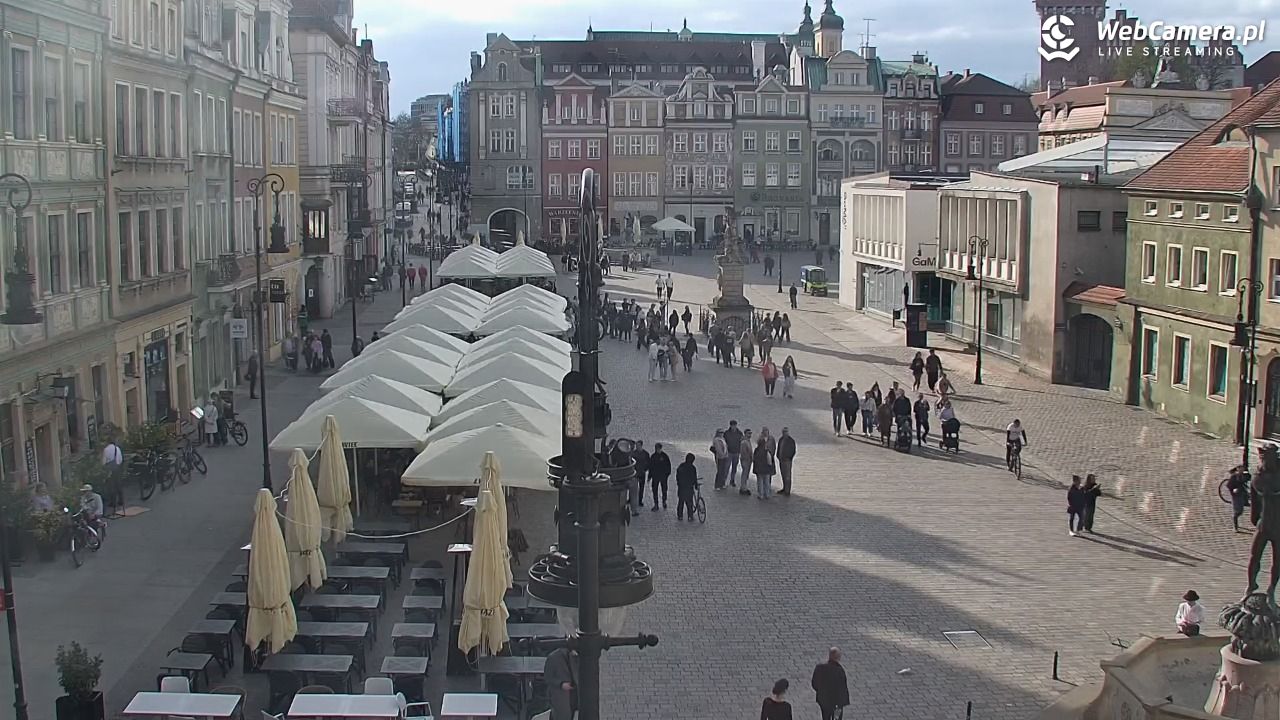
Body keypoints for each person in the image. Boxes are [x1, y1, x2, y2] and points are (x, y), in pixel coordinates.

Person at [811, 647, 850, 720]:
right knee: (837, 718)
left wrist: (820, 691)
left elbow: (814, 684)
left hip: (823, 701)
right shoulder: (840, 671)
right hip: (837, 703)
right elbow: (843, 688)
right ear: (838, 657)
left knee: (825, 717)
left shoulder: (820, 668)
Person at [544, 646, 579, 720]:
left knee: (571, 713)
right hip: (560, 694)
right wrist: (561, 684)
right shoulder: (553, 658)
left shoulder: (575, 656)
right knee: (561, 715)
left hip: (574, 693)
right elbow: (548, 677)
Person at [676, 453, 699, 521]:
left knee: (681, 502)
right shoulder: (692, 468)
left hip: (682, 487)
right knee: (689, 503)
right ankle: (690, 516)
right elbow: (694, 478)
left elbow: (678, 476)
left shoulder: (681, 466)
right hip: (689, 488)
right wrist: (696, 485)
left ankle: (680, 515)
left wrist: (679, 483)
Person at [1228, 465, 1251, 532]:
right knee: (1238, 511)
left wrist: (1247, 474)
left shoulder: (1243, 475)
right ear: (1237, 469)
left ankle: (1246, 502)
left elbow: (1249, 478)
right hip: (1236, 496)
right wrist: (1233, 490)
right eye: (1240, 469)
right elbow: (1229, 486)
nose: (1242, 470)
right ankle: (1235, 526)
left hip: (1242, 494)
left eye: (1242, 469)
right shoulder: (1234, 477)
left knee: (1241, 509)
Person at [649, 442, 671, 510]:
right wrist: (650, 476)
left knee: (664, 489)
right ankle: (656, 504)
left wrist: (667, 474)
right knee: (654, 490)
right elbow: (651, 467)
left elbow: (668, 466)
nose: (657, 450)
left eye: (658, 449)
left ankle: (664, 501)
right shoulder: (653, 456)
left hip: (663, 476)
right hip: (655, 476)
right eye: (656, 449)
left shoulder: (664, 456)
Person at [630, 441, 651, 514]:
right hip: (635, 473)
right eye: (636, 445)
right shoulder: (633, 453)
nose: (637, 447)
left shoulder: (645, 454)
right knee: (633, 488)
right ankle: (631, 499)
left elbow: (648, 462)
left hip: (642, 473)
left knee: (641, 487)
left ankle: (640, 500)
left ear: (641, 445)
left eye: (638, 445)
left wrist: (645, 469)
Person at [724, 421, 744, 488]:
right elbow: (724, 442)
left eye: (734, 425)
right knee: (727, 467)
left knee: (734, 467)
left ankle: (732, 480)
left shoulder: (740, 433)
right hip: (729, 452)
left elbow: (742, 442)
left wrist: (741, 451)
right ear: (730, 425)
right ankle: (724, 480)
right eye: (732, 425)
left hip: (736, 452)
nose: (733, 427)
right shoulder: (726, 433)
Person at [777, 427, 796, 496]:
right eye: (783, 432)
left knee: (787, 476)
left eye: (786, 432)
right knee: (783, 474)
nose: (784, 433)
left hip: (787, 460)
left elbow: (793, 450)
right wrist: (778, 456)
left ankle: (787, 491)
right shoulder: (781, 439)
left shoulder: (791, 441)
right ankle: (784, 488)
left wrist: (789, 458)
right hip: (781, 460)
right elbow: (779, 448)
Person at [737, 430, 755, 496]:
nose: (750, 435)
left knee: (746, 474)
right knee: (745, 474)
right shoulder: (744, 442)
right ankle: (743, 488)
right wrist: (748, 458)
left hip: (748, 460)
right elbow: (743, 452)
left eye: (750, 433)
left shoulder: (747, 441)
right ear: (745, 434)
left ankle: (744, 487)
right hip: (745, 460)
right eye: (748, 433)